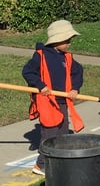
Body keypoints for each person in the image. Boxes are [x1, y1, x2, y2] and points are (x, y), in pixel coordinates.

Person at [23, 19, 85, 176]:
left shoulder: (67, 58)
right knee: (50, 134)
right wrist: (40, 85)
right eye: (67, 40)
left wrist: (75, 88)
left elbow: (77, 72)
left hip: (62, 100)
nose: (69, 43)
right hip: (47, 101)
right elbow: (28, 72)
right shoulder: (41, 56)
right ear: (56, 40)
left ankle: (59, 160)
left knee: (63, 132)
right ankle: (41, 164)